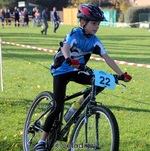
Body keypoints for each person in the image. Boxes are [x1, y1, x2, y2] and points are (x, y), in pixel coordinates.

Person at [34, 4, 132, 151]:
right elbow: (65, 47)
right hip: (61, 70)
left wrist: (120, 74)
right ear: (82, 22)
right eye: (93, 23)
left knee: (98, 81)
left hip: (78, 70)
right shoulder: (74, 34)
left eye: (98, 23)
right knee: (57, 106)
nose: (96, 26)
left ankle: (75, 107)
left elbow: (107, 58)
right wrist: (68, 58)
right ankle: (41, 141)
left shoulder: (95, 40)